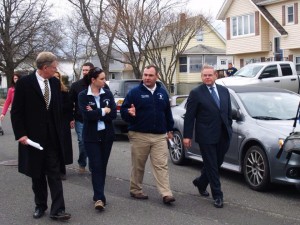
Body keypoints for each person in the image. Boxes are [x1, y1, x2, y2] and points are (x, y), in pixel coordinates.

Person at [10, 52, 71, 221]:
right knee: (37, 175)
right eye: (54, 67)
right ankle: (40, 205)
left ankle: (58, 209)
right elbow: (16, 112)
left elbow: (57, 110)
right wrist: (20, 134)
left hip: (52, 138)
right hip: (32, 138)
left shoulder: (54, 82)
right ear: (45, 68)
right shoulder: (24, 84)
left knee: (54, 173)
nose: (55, 69)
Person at [120, 65, 175, 205]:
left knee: (161, 165)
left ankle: (166, 193)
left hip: (159, 136)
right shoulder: (134, 93)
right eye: (145, 75)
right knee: (138, 165)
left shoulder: (162, 93)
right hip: (139, 134)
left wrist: (170, 129)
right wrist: (129, 113)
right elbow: (124, 111)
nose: (147, 78)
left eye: (150, 75)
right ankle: (136, 189)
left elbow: (167, 113)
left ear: (157, 76)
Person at [183, 65, 232, 208]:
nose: (207, 77)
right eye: (204, 75)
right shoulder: (196, 93)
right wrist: (187, 136)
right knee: (211, 165)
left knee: (217, 163)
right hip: (206, 135)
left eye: (210, 75)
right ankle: (218, 195)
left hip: (223, 134)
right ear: (201, 77)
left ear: (216, 75)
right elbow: (189, 116)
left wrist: (229, 125)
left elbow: (227, 112)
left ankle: (201, 182)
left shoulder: (224, 91)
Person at [78, 67, 116, 211]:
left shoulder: (107, 93)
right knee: (96, 165)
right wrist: (103, 111)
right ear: (93, 80)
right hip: (91, 136)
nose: (104, 81)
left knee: (102, 166)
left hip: (107, 135)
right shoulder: (83, 96)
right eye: (101, 78)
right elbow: (87, 117)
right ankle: (99, 197)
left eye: (104, 78)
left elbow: (112, 115)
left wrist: (96, 112)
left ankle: (98, 194)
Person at [69, 62, 94, 173]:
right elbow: (70, 103)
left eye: (87, 70)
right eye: (83, 70)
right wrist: (71, 118)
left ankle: (93, 166)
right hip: (81, 119)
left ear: (92, 71)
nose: (84, 72)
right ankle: (82, 163)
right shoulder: (76, 85)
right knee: (83, 142)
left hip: (95, 119)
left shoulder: (99, 83)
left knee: (93, 142)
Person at [53, 71, 73, 180]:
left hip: (62, 121)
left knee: (62, 145)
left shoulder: (64, 91)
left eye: (57, 77)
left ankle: (61, 170)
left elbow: (69, 106)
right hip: (51, 121)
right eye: (53, 77)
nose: (55, 79)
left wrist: (71, 119)